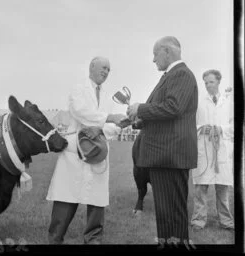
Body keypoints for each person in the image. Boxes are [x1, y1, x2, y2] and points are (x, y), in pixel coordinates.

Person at [46, 56, 128, 244]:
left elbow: (116, 126)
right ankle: (55, 239)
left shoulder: (109, 97)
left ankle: (93, 240)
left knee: (97, 201)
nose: (106, 72)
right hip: (75, 152)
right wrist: (107, 118)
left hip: (99, 152)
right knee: (66, 198)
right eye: (103, 67)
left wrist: (100, 127)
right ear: (92, 66)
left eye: (109, 69)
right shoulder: (78, 89)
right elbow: (79, 111)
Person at [127, 36, 198, 248]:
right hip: (167, 155)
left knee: (170, 214)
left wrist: (140, 108)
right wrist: (138, 120)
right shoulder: (173, 75)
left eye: (155, 54)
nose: (153, 60)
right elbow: (167, 113)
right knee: (170, 214)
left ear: (167, 51)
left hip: (169, 156)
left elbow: (173, 107)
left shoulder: (181, 74)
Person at [191, 70, 234, 231]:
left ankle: (226, 221)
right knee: (201, 188)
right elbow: (191, 125)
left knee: (223, 189)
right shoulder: (199, 103)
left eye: (211, 82)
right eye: (206, 82)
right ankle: (198, 220)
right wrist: (202, 129)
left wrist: (220, 129)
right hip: (204, 151)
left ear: (218, 82)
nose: (208, 85)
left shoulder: (228, 103)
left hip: (222, 151)